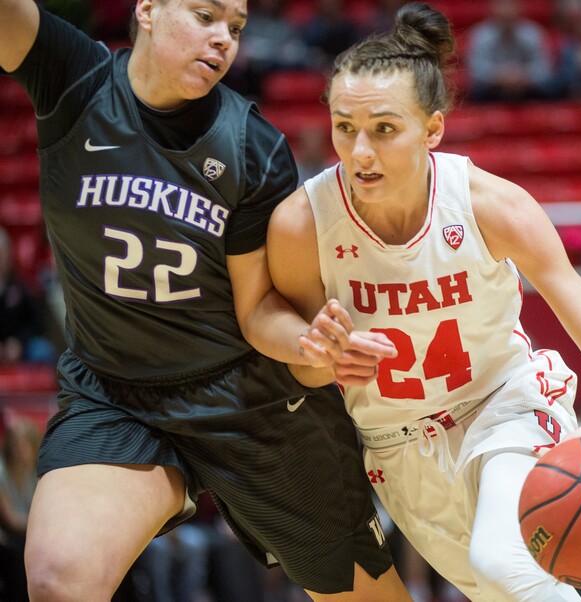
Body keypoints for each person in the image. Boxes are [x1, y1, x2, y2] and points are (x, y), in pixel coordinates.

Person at [0, 1, 410, 600]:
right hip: (116, 394)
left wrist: (312, 345)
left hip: (248, 395)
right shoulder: (75, 80)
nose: (223, 40)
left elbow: (259, 309)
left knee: (366, 597)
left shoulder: (251, 147)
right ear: (146, 9)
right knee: (61, 578)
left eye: (235, 28)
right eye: (205, 16)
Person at [266, 3, 581, 601]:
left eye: (383, 128)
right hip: (398, 448)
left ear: (432, 129)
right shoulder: (302, 222)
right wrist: (326, 359)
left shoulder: (491, 205)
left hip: (502, 408)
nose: (359, 152)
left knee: (501, 562)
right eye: (344, 127)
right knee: (498, 587)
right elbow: (301, 366)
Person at [465, 0, 554, 102]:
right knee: (475, 90)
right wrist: (501, 76)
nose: (507, 23)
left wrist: (523, 75)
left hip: (528, 87)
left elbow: (544, 68)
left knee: (551, 88)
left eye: (510, 19)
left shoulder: (533, 33)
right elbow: (476, 69)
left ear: (519, 15)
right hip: (492, 89)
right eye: (503, 19)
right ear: (494, 16)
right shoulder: (481, 34)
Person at [0, 226, 56, 364]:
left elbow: (37, 323)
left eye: (1, 253)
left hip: (17, 347)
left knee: (43, 349)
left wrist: (19, 342)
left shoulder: (20, 287)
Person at [0, 419, 41, 602]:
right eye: (16, 446)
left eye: (25, 446)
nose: (20, 451)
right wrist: (42, 525)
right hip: (11, 535)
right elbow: (12, 520)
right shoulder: (1, 473)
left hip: (30, 531)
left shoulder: (39, 471)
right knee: (18, 554)